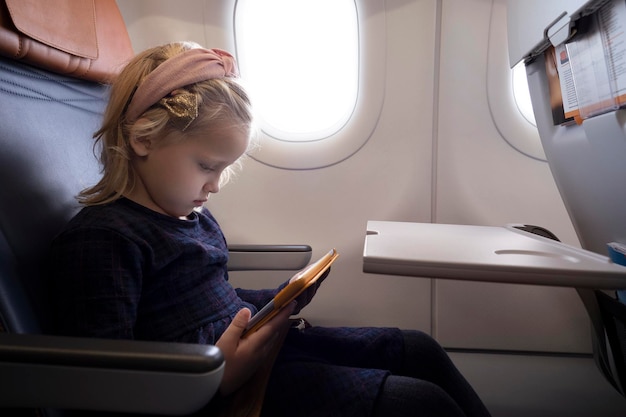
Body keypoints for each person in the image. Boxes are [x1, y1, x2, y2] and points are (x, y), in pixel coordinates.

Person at [49, 41, 491, 417]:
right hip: (210, 395)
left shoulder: (191, 216)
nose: (215, 185)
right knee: (419, 404)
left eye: (225, 168)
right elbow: (105, 384)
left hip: (249, 364)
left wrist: (277, 302)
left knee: (418, 349)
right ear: (143, 138)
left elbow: (212, 304)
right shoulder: (103, 241)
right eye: (206, 165)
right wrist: (218, 375)